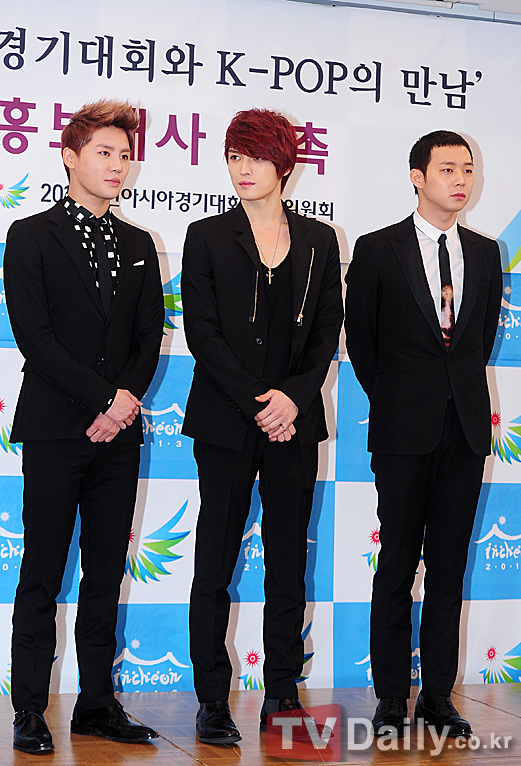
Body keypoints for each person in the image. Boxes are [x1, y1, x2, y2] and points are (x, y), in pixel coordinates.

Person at [4, 100, 164, 754]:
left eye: (124, 155)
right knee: (42, 572)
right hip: (54, 429)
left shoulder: (139, 244)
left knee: (104, 574)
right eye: (104, 153)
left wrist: (123, 405)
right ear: (70, 157)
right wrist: (105, 399)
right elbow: (35, 338)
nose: (117, 165)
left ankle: (97, 704)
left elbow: (149, 337)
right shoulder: (30, 235)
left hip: (118, 437)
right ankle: (29, 710)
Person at [181, 108, 343, 744]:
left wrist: (292, 400)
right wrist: (259, 402)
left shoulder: (320, 240)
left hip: (294, 424)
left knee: (287, 563)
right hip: (227, 420)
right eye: (234, 156)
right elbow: (203, 334)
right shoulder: (206, 235)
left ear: (284, 163)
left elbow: (327, 330)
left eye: (255, 156)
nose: (242, 168)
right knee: (214, 562)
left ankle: (282, 693)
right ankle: (212, 701)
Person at [344, 131, 502, 738]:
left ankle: (438, 697)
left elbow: (478, 341)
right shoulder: (377, 249)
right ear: (417, 177)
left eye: (468, 170)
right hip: (402, 431)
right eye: (447, 169)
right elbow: (362, 343)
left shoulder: (485, 253)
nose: (460, 180)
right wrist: (397, 400)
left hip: (465, 431)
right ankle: (391, 698)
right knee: (396, 566)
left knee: (449, 568)